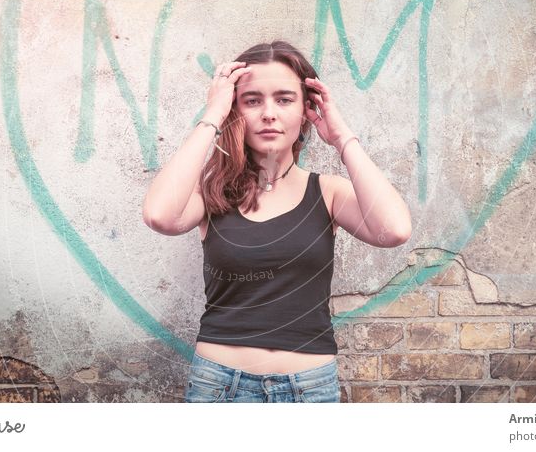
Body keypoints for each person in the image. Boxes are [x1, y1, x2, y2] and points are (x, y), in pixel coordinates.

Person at [142, 40, 412, 403]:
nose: (269, 113)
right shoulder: (212, 194)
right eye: (252, 100)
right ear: (235, 111)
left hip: (310, 389)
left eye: (284, 99)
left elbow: (394, 230)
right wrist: (212, 117)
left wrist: (342, 137)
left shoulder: (329, 192)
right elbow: (160, 216)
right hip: (220, 387)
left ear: (306, 110)